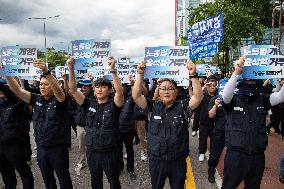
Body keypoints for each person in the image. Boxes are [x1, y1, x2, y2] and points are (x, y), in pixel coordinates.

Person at [132, 61, 203, 189]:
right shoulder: (152, 107)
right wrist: (140, 74)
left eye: (170, 89)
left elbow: (198, 97)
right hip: (156, 161)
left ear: (176, 92)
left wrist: (193, 74)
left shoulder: (183, 106)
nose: (166, 91)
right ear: (158, 92)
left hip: (178, 162)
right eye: (163, 89)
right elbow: (136, 95)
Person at [6, 59, 73, 189]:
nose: (42, 87)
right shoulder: (36, 99)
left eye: (46, 84)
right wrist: (7, 73)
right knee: (47, 179)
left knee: (63, 178)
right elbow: (17, 91)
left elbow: (59, 92)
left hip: (58, 149)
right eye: (41, 84)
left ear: (53, 85)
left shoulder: (60, 100)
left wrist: (46, 72)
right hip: (41, 148)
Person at [221, 57, 284, 189]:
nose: (250, 83)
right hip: (235, 155)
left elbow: (280, 97)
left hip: (257, 156)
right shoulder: (233, 99)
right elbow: (225, 95)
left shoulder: (263, 99)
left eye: (253, 81)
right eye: (247, 80)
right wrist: (236, 72)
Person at [67, 56, 124, 189]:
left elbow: (120, 93)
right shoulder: (88, 103)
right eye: (97, 86)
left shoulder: (114, 105)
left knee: (113, 182)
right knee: (95, 181)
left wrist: (113, 70)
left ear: (109, 90)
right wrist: (70, 69)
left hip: (110, 152)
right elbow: (73, 90)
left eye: (103, 87)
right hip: (92, 151)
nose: (99, 89)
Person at [0, 81, 34, 189]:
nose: (1, 92)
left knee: (24, 172)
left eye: (4, 88)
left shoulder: (17, 102)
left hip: (14, 145)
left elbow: (9, 94)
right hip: (1, 147)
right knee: (7, 176)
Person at [74, 79, 94, 176]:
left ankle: (93, 162)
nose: (84, 88)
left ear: (91, 87)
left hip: (91, 126)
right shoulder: (79, 96)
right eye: (82, 86)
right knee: (81, 145)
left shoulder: (94, 97)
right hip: (80, 125)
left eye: (86, 86)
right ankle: (82, 162)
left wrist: (93, 80)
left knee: (92, 145)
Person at [118, 83, 137, 180]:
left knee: (129, 150)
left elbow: (137, 93)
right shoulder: (114, 96)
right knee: (118, 150)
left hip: (128, 129)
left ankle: (130, 169)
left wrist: (134, 83)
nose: (120, 87)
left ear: (126, 87)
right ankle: (120, 168)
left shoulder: (132, 97)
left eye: (122, 86)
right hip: (117, 129)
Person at [207, 96, 226, 183]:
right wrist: (215, 105)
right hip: (219, 131)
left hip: (234, 132)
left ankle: (229, 174)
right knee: (215, 153)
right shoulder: (215, 99)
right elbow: (210, 115)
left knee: (233, 155)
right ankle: (211, 171)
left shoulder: (237, 97)